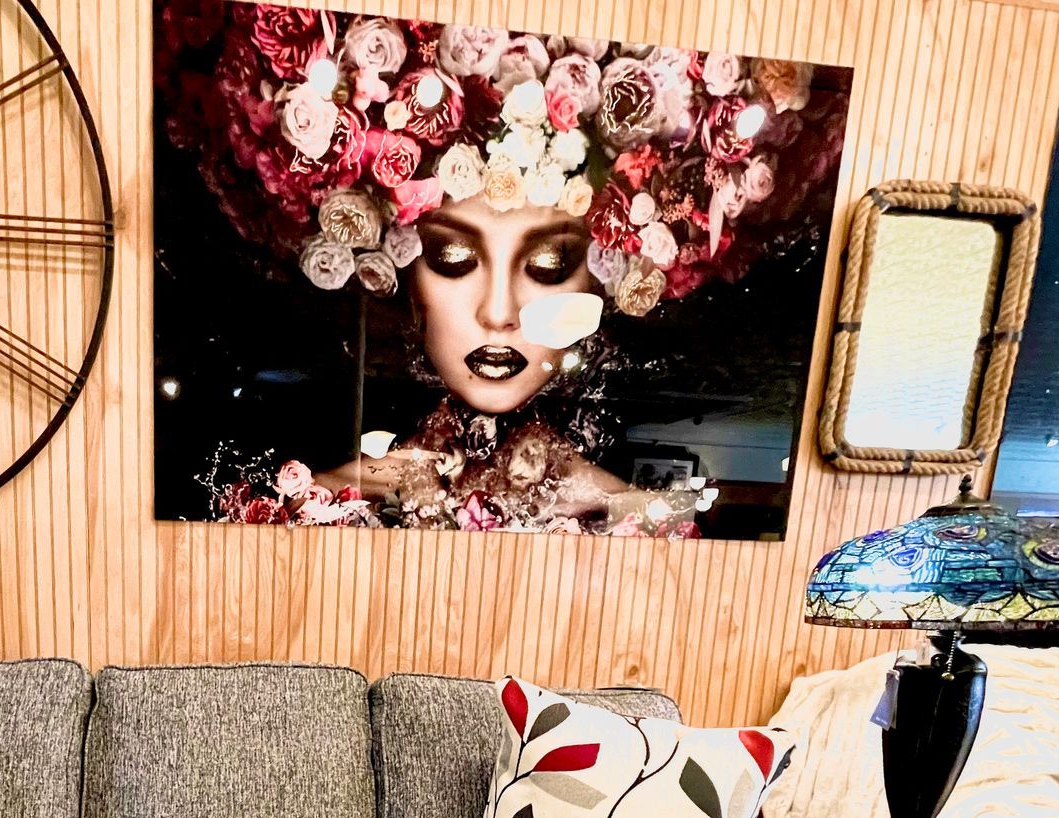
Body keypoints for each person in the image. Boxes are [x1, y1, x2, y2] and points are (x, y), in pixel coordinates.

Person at [157, 7, 845, 533]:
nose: (498, 313)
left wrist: (606, 495)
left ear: (597, 279)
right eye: (454, 257)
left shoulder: (585, 485)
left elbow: (681, 522)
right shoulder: (367, 481)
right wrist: (357, 483)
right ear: (406, 278)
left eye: (548, 263)